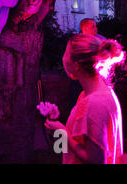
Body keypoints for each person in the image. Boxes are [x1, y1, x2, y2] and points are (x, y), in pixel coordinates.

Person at [45, 34, 125, 164]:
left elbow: (97, 160)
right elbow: (65, 150)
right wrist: (56, 126)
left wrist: (63, 133)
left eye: (65, 53)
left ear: (76, 65)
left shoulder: (94, 104)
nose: (63, 58)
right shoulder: (90, 95)